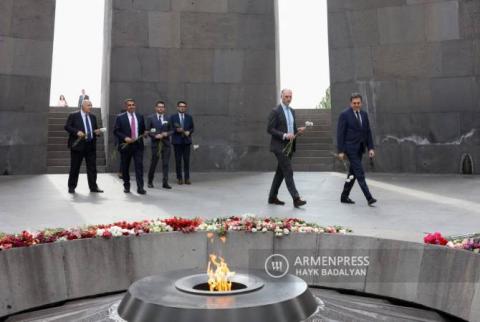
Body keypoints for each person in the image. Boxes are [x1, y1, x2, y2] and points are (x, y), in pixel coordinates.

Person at [267, 89, 307, 208]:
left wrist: (298, 131)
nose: (288, 99)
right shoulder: (275, 111)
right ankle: (296, 198)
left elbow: (292, 131)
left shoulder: (292, 111)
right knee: (288, 170)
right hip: (279, 146)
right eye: (286, 97)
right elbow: (269, 129)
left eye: (290, 97)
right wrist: (284, 135)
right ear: (281, 97)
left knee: (280, 173)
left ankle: (272, 197)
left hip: (289, 146)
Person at [336, 93, 377, 206]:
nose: (356, 105)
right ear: (350, 103)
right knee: (359, 172)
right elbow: (340, 134)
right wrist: (340, 151)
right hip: (350, 148)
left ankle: (344, 196)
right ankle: (369, 197)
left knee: (352, 174)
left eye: (358, 103)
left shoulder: (364, 114)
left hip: (360, 148)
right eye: (354, 103)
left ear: (361, 103)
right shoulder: (344, 115)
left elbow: (367, 132)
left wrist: (371, 148)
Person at [64, 99, 104, 194]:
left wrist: (97, 132)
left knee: (92, 168)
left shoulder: (93, 117)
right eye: (88, 105)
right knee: (75, 167)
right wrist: (77, 132)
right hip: (78, 146)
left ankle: (93, 187)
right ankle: (72, 187)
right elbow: (67, 126)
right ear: (82, 106)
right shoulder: (73, 115)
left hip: (90, 146)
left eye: (91, 105)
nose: (90, 107)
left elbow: (94, 129)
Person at [113, 98, 147, 195]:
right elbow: (116, 131)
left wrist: (145, 133)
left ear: (135, 106)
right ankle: (126, 186)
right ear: (126, 106)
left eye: (133, 104)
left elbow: (143, 129)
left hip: (138, 146)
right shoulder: (120, 117)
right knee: (125, 167)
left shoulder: (140, 116)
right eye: (129, 105)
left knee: (139, 167)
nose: (131, 106)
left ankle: (140, 188)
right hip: (126, 146)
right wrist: (125, 138)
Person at [146, 101, 172, 189]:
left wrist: (167, 134)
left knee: (166, 164)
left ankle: (165, 182)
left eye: (162, 107)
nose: (161, 108)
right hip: (155, 144)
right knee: (154, 163)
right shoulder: (151, 118)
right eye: (159, 107)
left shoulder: (168, 118)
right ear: (156, 108)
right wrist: (154, 135)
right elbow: (147, 131)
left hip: (166, 144)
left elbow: (172, 130)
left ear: (164, 108)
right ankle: (150, 181)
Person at [170, 101, 194, 185]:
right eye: (180, 106)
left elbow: (192, 128)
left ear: (186, 108)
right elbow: (170, 128)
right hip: (177, 142)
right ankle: (179, 178)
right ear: (177, 107)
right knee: (178, 161)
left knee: (186, 161)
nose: (182, 108)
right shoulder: (173, 117)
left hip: (187, 142)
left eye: (184, 106)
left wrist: (189, 132)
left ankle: (187, 178)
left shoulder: (189, 117)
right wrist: (176, 130)